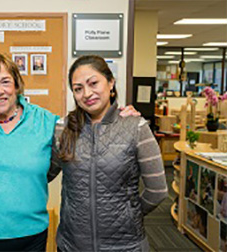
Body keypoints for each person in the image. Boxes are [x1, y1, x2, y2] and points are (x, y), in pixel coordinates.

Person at [0, 53, 139, 251]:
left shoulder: (47, 122)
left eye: (5, 82)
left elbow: (86, 131)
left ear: (17, 86)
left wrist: (120, 119)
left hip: (30, 236)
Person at [48, 55, 168, 251]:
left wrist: (129, 214)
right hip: (72, 244)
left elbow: (158, 191)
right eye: (78, 89)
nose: (87, 93)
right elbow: (44, 173)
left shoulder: (135, 127)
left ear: (110, 83)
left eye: (93, 83)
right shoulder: (64, 128)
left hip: (125, 245)